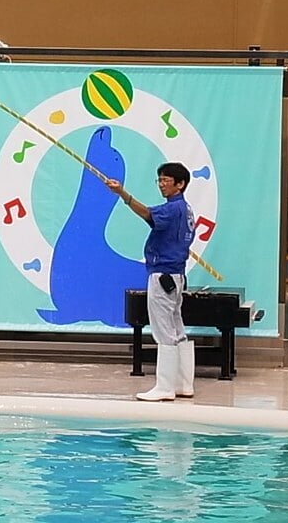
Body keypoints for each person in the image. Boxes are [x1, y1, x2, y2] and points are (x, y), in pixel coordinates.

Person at [106, 163, 196, 401]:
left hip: (163, 275)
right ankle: (184, 384)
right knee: (177, 330)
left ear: (180, 184)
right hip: (177, 276)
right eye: (159, 180)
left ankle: (165, 387)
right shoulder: (185, 210)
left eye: (166, 180)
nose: (162, 184)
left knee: (164, 331)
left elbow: (147, 213)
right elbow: (154, 220)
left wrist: (123, 194)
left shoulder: (174, 209)